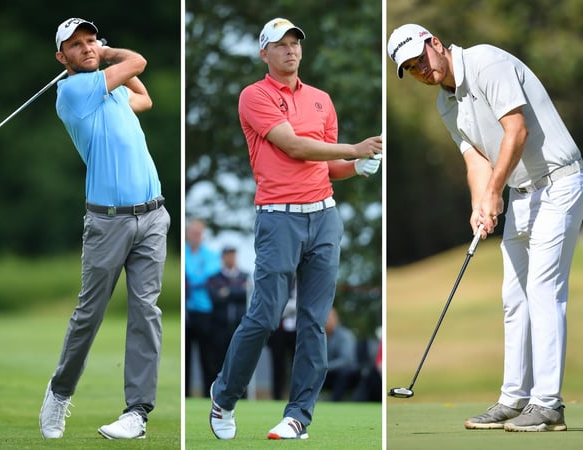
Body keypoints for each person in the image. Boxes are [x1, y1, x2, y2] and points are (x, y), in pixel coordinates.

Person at [388, 23, 583, 432]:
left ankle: (547, 404)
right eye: (412, 69)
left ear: (435, 44)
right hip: (520, 192)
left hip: (558, 182)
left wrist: (495, 192)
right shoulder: (446, 102)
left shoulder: (487, 62)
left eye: (422, 58)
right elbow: (476, 159)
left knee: (543, 290)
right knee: (514, 297)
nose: (422, 70)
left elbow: (517, 130)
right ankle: (514, 398)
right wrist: (481, 203)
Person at [208, 17, 382, 441]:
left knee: (314, 321)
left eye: (295, 43)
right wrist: (354, 148)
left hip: (324, 217)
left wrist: (357, 165)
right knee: (265, 315)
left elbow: (326, 164)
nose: (290, 50)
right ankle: (225, 395)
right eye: (280, 45)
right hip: (278, 218)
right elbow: (295, 146)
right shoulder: (255, 96)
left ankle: (298, 416)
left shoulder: (322, 100)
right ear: (264, 53)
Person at [39, 18, 170, 441]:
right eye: (76, 46)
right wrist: (109, 54)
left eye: (91, 40)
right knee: (89, 315)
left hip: (153, 216)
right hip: (107, 221)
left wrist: (102, 61)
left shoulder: (107, 91)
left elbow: (144, 98)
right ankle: (59, 393)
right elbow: (139, 62)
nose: (88, 48)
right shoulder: (74, 91)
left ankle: (137, 412)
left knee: (146, 312)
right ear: (62, 58)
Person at [185, 219, 222, 397]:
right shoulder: (185, 252)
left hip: (204, 310)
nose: (195, 236)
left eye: (198, 233)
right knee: (186, 356)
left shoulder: (210, 254)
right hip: (187, 309)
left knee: (207, 355)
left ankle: (209, 393)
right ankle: (186, 393)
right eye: (192, 232)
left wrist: (192, 280)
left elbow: (209, 274)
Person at [205, 246, 249, 381]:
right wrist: (236, 291)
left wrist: (228, 291)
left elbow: (245, 294)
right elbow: (215, 298)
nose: (231, 259)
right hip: (219, 326)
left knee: (240, 362)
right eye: (228, 256)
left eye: (233, 255)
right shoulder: (214, 278)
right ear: (223, 258)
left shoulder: (244, 276)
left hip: (239, 325)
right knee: (218, 361)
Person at [322, 307, 359, 401]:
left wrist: (325, 367)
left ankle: (336, 402)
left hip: (344, 373)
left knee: (343, 373)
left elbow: (346, 360)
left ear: (336, 319)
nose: (326, 321)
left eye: (328, 318)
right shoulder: (319, 337)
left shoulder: (345, 336)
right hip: (325, 372)